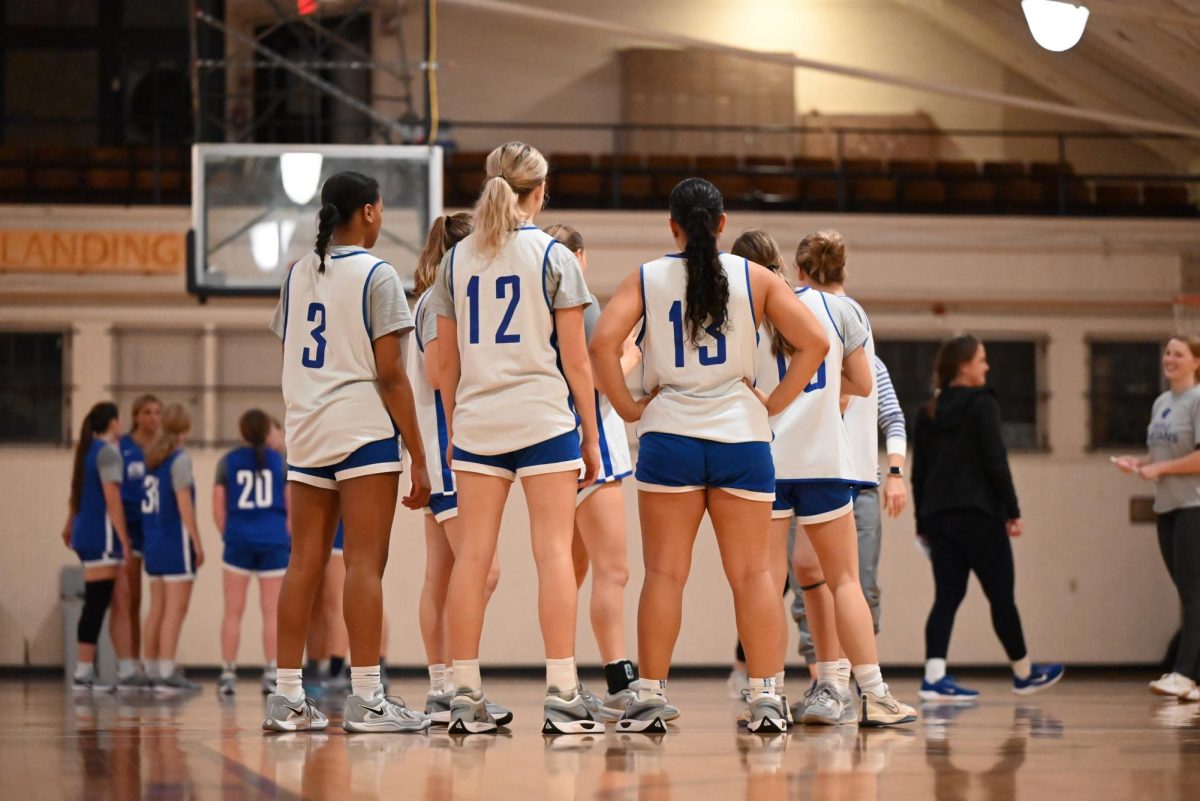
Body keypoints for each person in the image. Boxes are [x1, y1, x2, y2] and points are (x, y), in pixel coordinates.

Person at [590, 178, 830, 734]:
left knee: (665, 576)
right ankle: (767, 697)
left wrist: (627, 407)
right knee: (753, 578)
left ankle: (649, 697)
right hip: (742, 441)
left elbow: (601, 344)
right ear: (722, 224)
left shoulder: (646, 277)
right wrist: (773, 403)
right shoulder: (758, 277)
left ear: (672, 225)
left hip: (668, 438)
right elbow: (815, 341)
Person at [429, 141, 601, 735]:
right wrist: (593, 436)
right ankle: (560, 692)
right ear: (540, 191)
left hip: (477, 422)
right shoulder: (554, 256)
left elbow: (443, 367)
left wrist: (452, 428)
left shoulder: (455, 260)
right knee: (553, 553)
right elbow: (578, 364)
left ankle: (465, 695)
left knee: (470, 559)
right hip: (544, 419)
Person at [264, 169, 432, 733]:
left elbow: (293, 352)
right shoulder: (378, 275)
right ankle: (366, 698)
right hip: (361, 432)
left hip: (306, 431)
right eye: (380, 209)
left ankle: (286, 698)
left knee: (303, 563)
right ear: (366, 212)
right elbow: (390, 375)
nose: (381, 218)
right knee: (365, 564)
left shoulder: (296, 273)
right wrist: (420, 453)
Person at [759, 230, 916, 727]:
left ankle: (768, 695)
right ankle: (871, 692)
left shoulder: (773, 304)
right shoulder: (849, 313)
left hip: (771, 455)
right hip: (826, 462)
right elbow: (865, 384)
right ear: (842, 271)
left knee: (770, 579)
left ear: (798, 270)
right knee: (845, 580)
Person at [913, 334, 1064, 699]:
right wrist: (1012, 510)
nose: (987, 366)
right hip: (979, 515)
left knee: (946, 597)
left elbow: (920, 472)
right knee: (1001, 596)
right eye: (982, 360)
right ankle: (1024, 672)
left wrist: (922, 523)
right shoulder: (982, 403)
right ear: (964, 366)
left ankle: (934, 677)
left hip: (938, 518)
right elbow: (996, 461)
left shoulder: (928, 410)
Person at [411, 213, 509, 726]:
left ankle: (442, 687)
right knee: (483, 571)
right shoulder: (437, 304)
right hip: (449, 446)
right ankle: (458, 685)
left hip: (437, 446)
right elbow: (434, 370)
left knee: (443, 572)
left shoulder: (435, 301)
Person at [545, 222, 644, 722]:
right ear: (580, 256)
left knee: (575, 569)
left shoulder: (538, 299)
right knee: (614, 569)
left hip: (555, 439)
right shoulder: (578, 300)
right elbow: (596, 380)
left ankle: (564, 681)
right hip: (590, 438)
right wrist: (629, 358)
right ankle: (620, 680)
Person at [1113, 335, 1200, 701]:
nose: (1170, 358)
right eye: (1167, 352)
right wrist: (1140, 464)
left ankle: (1185, 674)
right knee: (1185, 590)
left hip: (1194, 506)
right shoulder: (1162, 402)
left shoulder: (1197, 400)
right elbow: (1158, 455)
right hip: (1166, 507)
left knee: (1194, 593)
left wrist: (1161, 467)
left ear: (1196, 362)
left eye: (1178, 353)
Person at [215, 409, 289, 696]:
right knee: (271, 613)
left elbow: (218, 506)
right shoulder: (279, 461)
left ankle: (228, 673)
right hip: (273, 541)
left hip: (238, 542)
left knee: (232, 611)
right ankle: (271, 672)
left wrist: (229, 534)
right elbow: (291, 506)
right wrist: (285, 536)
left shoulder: (227, 462)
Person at [62, 402, 135, 691]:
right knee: (96, 602)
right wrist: (124, 539)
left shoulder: (89, 451)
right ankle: (83, 673)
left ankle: (128, 670)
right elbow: (112, 498)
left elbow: (76, 492)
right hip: (100, 536)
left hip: (87, 533)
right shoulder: (106, 452)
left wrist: (70, 523)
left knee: (121, 599)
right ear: (113, 423)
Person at [141, 402, 204, 692]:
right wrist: (196, 540)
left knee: (157, 608)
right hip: (174, 540)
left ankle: (152, 669)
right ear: (185, 428)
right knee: (174, 610)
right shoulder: (179, 459)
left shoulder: (152, 457)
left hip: (152, 541)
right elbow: (183, 503)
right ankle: (166, 672)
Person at [116, 394, 160, 690]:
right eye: (147, 412)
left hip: (156, 527)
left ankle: (155, 663)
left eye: (158, 412)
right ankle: (131, 662)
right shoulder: (123, 447)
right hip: (130, 528)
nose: (153, 418)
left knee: (161, 599)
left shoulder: (163, 448)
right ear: (136, 416)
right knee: (131, 597)